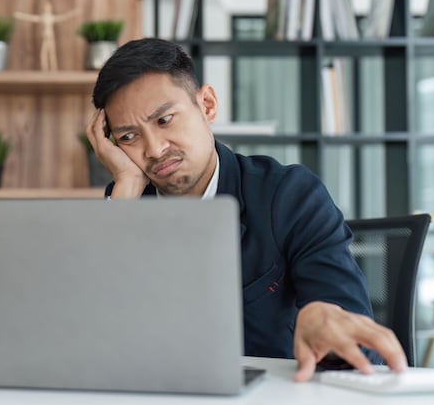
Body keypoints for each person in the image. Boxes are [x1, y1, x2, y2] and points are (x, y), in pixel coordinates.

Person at [85, 37, 407, 382]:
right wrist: (127, 187)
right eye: (129, 137)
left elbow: (359, 347)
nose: (154, 148)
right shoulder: (126, 204)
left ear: (207, 105)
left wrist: (321, 317)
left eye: (165, 120)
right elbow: (89, 335)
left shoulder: (289, 196)